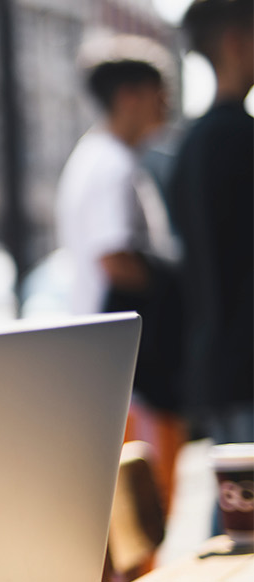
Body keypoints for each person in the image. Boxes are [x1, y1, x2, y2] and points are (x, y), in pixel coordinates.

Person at [54, 35, 186, 520]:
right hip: (131, 374)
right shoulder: (111, 164)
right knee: (143, 516)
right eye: (161, 90)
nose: (168, 102)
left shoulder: (100, 158)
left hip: (115, 368)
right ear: (129, 95)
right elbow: (115, 258)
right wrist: (176, 288)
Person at [170, 0, 253, 443]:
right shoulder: (241, 139)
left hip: (213, 366)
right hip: (246, 366)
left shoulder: (188, 147)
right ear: (236, 43)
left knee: (233, 503)